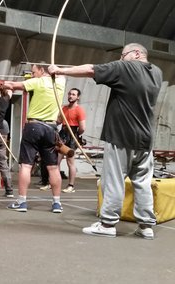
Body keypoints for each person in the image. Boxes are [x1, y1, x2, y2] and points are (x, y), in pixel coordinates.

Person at [48, 43, 162, 239]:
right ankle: (146, 226)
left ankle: (108, 224)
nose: (120, 58)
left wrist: (59, 70)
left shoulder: (126, 67)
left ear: (135, 53)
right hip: (145, 139)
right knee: (143, 182)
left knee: (114, 180)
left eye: (123, 55)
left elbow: (91, 69)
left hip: (121, 136)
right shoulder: (157, 72)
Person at [1, 63, 66, 213]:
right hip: (51, 129)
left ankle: (22, 201)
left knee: (26, 166)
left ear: (42, 70)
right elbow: (61, 74)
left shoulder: (37, 81)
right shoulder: (61, 83)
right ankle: (57, 203)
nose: (31, 75)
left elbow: (11, 84)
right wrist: (55, 70)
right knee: (53, 167)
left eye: (33, 72)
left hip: (34, 126)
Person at [55, 88, 86, 193]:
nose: (70, 96)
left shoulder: (79, 110)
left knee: (70, 162)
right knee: (56, 161)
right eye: (69, 94)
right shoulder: (64, 108)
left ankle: (70, 186)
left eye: (73, 94)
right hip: (62, 134)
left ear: (78, 97)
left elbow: (82, 128)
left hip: (72, 135)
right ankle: (55, 183)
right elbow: (58, 122)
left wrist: (76, 137)